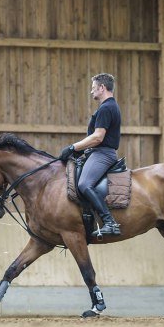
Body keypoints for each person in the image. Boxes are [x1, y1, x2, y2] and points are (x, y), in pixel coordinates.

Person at [59, 73, 121, 236]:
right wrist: (80, 150)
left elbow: (98, 136)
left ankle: (109, 222)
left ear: (102, 88)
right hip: (97, 152)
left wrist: (73, 147)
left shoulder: (107, 108)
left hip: (103, 154)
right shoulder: (107, 107)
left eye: (93, 88)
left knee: (84, 184)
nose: (91, 91)